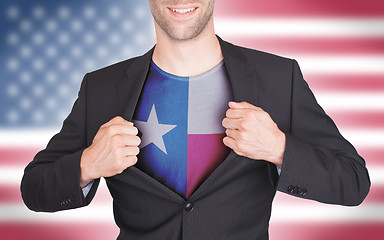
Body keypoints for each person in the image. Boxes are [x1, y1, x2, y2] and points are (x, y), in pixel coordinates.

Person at [21, 0, 370, 239]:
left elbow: (353, 181)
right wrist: (87, 164)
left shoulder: (279, 78)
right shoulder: (101, 87)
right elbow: (34, 188)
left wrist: (280, 148)